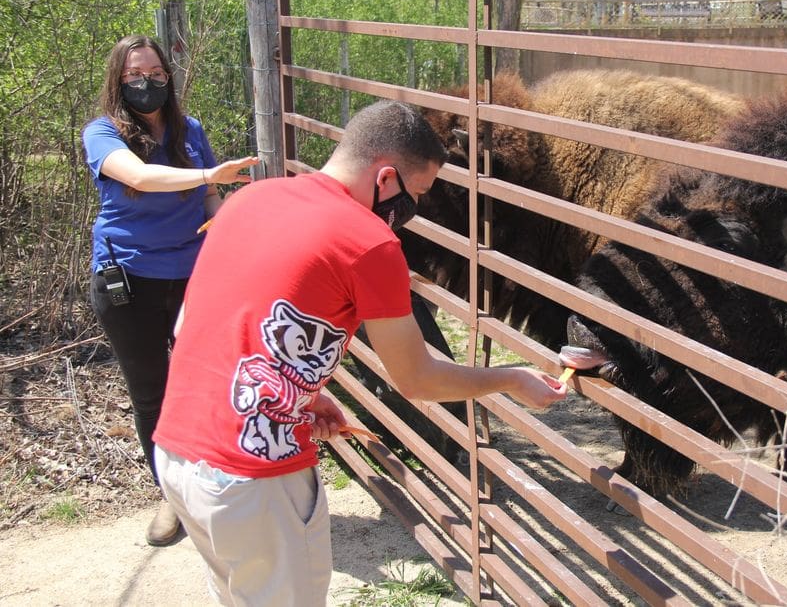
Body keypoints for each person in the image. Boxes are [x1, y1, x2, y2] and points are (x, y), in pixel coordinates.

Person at [152, 100, 567, 605]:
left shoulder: (251, 199)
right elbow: (417, 379)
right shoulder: (368, 242)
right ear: (386, 178)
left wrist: (299, 394)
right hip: (253, 479)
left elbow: (205, 324)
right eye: (417, 194)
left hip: (177, 454)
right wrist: (507, 378)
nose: (413, 211)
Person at [83, 34, 257, 547]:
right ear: (118, 81)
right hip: (128, 280)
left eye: (156, 73)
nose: (147, 83)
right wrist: (208, 173)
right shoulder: (101, 133)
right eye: (136, 76)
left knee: (205, 382)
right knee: (152, 394)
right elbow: (139, 175)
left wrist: (237, 231)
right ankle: (172, 497)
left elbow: (208, 200)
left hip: (192, 276)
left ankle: (214, 481)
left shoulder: (189, 130)